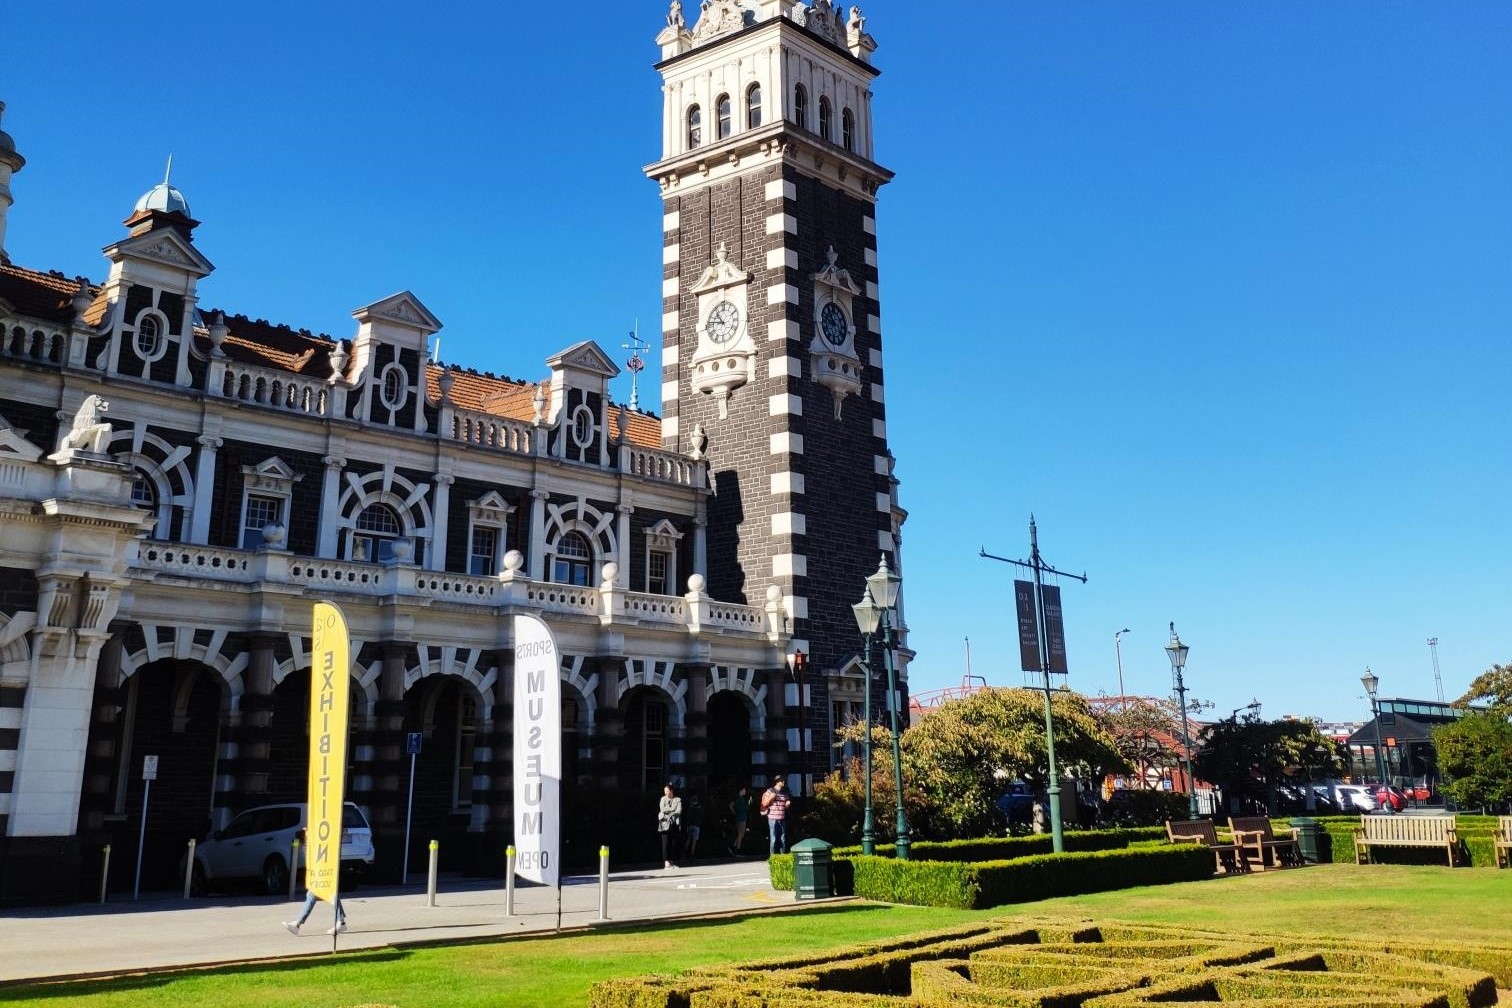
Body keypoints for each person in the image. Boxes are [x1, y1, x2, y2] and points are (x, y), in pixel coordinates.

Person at [760, 777, 791, 855]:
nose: (784, 782)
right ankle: (773, 857)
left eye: (784, 780)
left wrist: (787, 804)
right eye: (782, 781)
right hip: (772, 819)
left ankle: (783, 856)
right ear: (777, 782)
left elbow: (786, 802)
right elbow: (764, 804)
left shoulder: (784, 792)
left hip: (782, 818)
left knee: (782, 839)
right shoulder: (769, 791)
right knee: (773, 839)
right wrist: (770, 798)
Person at [657, 783, 683, 869]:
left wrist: (671, 812)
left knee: (673, 844)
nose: (665, 793)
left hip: (674, 824)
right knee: (665, 844)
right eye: (665, 791)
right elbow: (662, 809)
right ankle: (666, 863)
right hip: (664, 824)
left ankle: (671, 862)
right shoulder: (663, 799)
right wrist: (672, 811)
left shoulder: (678, 799)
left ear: (671, 791)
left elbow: (679, 811)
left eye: (667, 791)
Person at [729, 786, 752, 854]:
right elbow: (730, 805)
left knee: (741, 835)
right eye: (744, 790)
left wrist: (734, 812)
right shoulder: (738, 798)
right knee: (740, 834)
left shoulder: (740, 798)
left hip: (742, 817)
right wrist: (735, 812)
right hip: (741, 818)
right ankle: (737, 849)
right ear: (741, 790)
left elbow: (731, 805)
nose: (745, 791)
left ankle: (733, 847)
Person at [684, 794, 704, 859]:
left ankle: (684, 852)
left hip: (690, 825)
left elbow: (688, 817)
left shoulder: (690, 807)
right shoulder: (700, 808)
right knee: (694, 841)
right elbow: (701, 817)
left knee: (689, 839)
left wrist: (687, 825)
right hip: (697, 826)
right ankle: (692, 855)